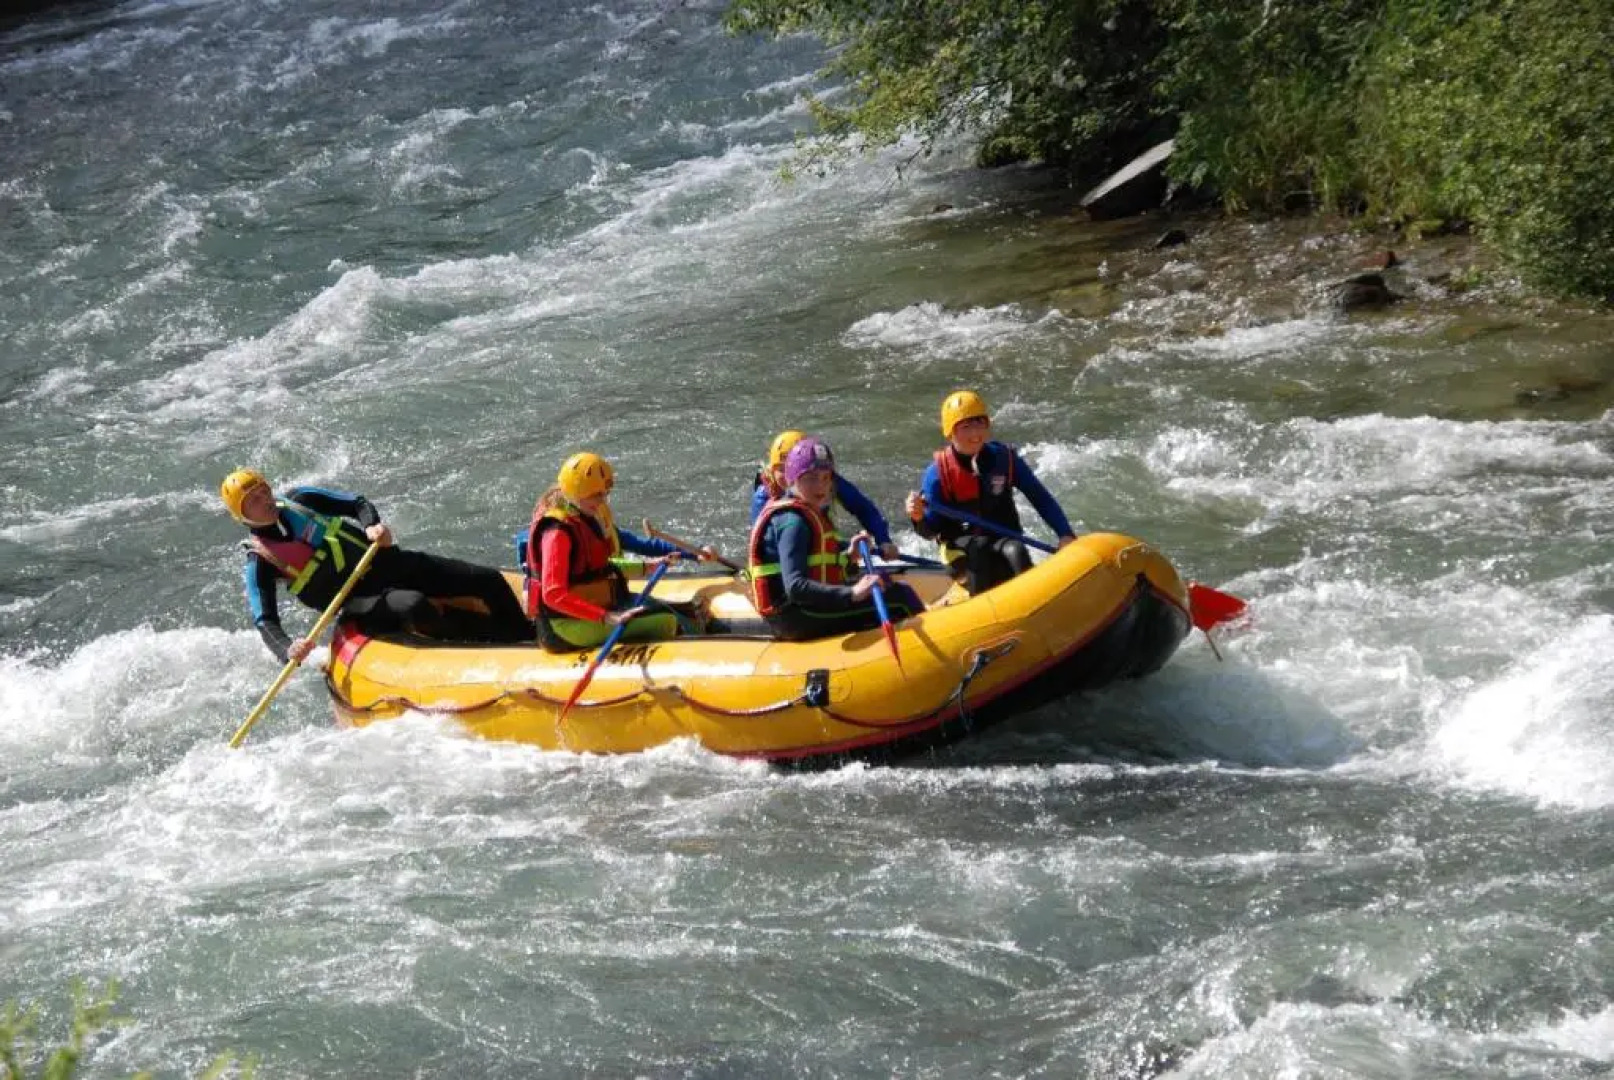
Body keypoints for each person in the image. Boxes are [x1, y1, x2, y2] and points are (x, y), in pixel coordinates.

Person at [220, 469, 532, 663]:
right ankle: (489, 646)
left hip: (386, 564)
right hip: (357, 600)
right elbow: (265, 620)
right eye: (254, 500)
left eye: (264, 491)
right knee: (414, 605)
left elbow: (357, 504)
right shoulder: (260, 560)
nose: (265, 500)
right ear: (242, 514)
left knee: (487, 579)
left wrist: (372, 526)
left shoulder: (302, 500)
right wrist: (287, 649)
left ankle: (525, 635)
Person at [525, 451, 716, 651]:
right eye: (596, 495)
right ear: (577, 493)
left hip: (599, 604)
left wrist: (651, 566)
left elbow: (598, 568)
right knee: (666, 622)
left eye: (604, 494)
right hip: (565, 626)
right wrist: (606, 617)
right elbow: (553, 595)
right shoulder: (557, 533)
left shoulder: (586, 515)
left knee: (669, 610)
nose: (603, 501)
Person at [748, 437, 925, 642]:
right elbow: (795, 587)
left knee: (884, 582)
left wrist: (849, 554)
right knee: (900, 597)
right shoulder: (792, 522)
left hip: (801, 607)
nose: (820, 486)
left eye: (825, 478)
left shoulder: (805, 510)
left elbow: (815, 554)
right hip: (795, 616)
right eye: (811, 478)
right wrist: (852, 593)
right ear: (792, 480)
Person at [905, 390, 1078, 595]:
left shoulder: (1005, 459)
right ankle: (979, 607)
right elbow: (930, 530)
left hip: (1002, 538)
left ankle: (1034, 606)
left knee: (1017, 552)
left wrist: (1065, 533)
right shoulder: (938, 474)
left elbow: (1040, 498)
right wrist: (917, 517)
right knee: (980, 550)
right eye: (966, 427)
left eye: (980, 424)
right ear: (951, 433)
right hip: (960, 550)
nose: (975, 434)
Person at [749, 429, 901, 560]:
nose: (789, 475)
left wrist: (883, 540)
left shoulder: (825, 480)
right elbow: (768, 546)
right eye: (782, 469)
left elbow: (863, 508)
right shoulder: (763, 497)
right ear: (772, 469)